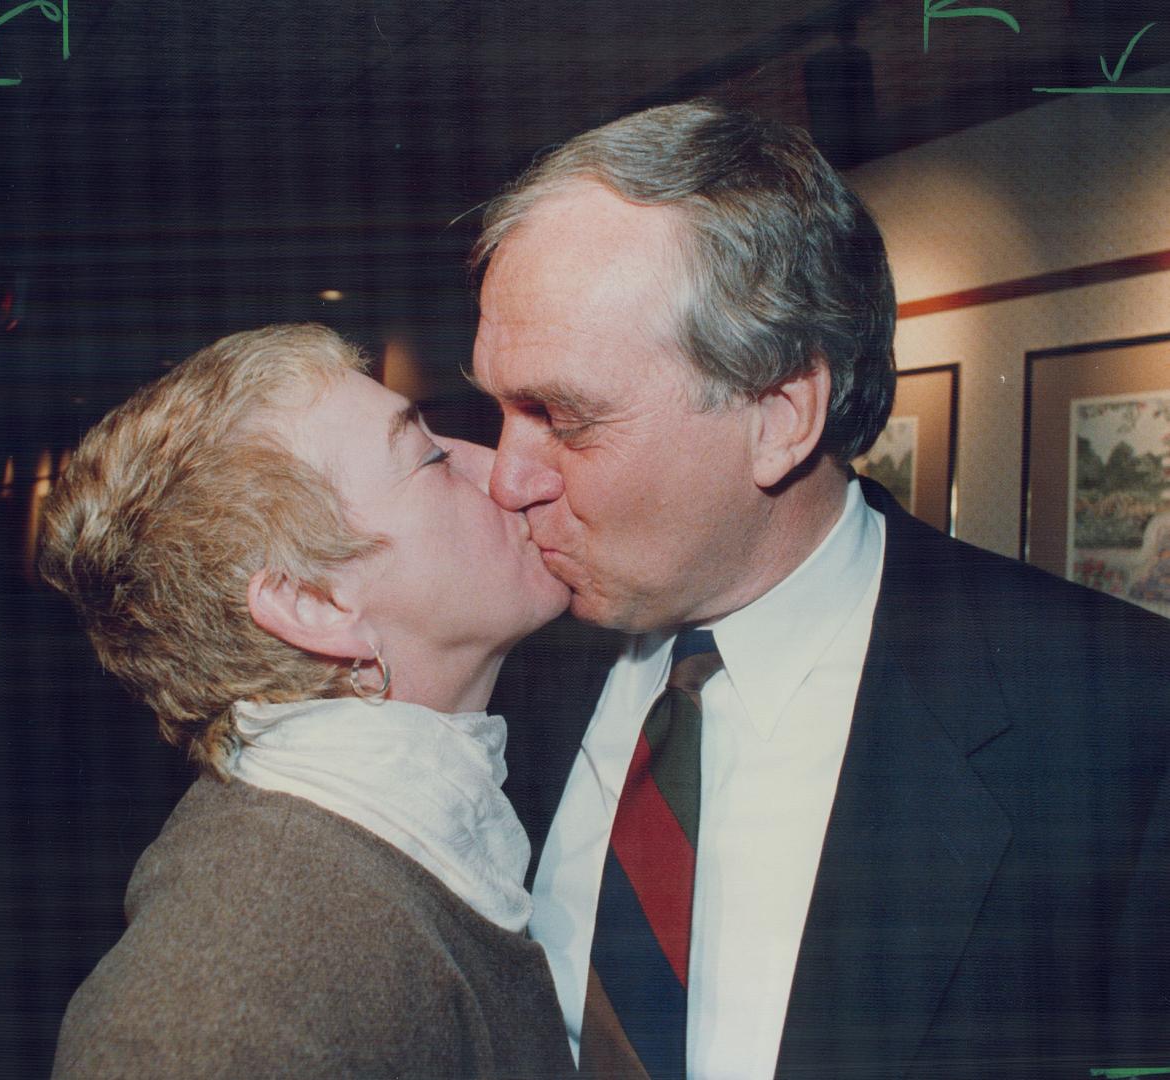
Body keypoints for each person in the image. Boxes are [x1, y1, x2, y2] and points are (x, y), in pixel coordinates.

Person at [471, 100, 1170, 1079]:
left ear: (779, 416)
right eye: (497, 405)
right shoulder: (506, 663)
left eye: (562, 415)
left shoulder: (1113, 720)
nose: (506, 479)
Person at [39, 324, 576, 1079]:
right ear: (315, 604)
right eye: (429, 458)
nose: (503, 471)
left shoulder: (394, 839)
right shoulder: (222, 1009)